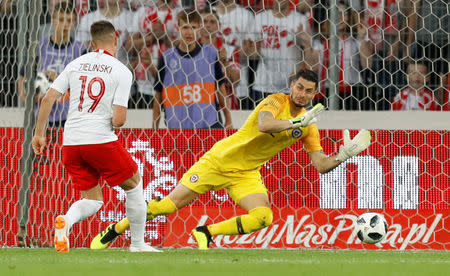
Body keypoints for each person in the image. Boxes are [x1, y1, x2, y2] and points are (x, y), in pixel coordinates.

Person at [90, 69, 372, 250]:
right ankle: (116, 229)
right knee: (167, 205)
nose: (302, 93)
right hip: (218, 161)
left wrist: (342, 156)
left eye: (308, 91)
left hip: (246, 173)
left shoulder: (309, 126)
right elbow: (265, 125)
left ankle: (206, 232)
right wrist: (296, 121)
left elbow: (320, 165)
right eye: (299, 87)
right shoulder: (276, 101)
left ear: (314, 94)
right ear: (291, 85)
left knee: (263, 217)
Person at [31, 20, 160, 253]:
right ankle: (139, 244)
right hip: (99, 140)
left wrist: (39, 135)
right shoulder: (121, 70)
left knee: (93, 199)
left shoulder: (75, 64)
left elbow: (48, 99)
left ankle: (66, 222)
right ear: (116, 39)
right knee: (134, 184)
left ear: (91, 43)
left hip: (71, 143)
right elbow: (119, 120)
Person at [152, 9, 232, 129]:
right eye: (185, 27)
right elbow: (158, 95)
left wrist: (228, 119)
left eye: (193, 27)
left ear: (200, 28)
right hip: (177, 127)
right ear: (178, 28)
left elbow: (221, 87)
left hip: (209, 124)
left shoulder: (210, 54)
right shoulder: (167, 57)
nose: (189, 32)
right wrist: (154, 128)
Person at [17, 1, 85, 127]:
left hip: (70, 116)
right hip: (42, 116)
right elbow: (22, 78)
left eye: (70, 21)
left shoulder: (80, 50)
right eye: (61, 19)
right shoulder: (39, 46)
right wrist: (28, 101)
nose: (65, 24)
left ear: (74, 23)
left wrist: (59, 79)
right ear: (53, 21)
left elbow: (84, 84)